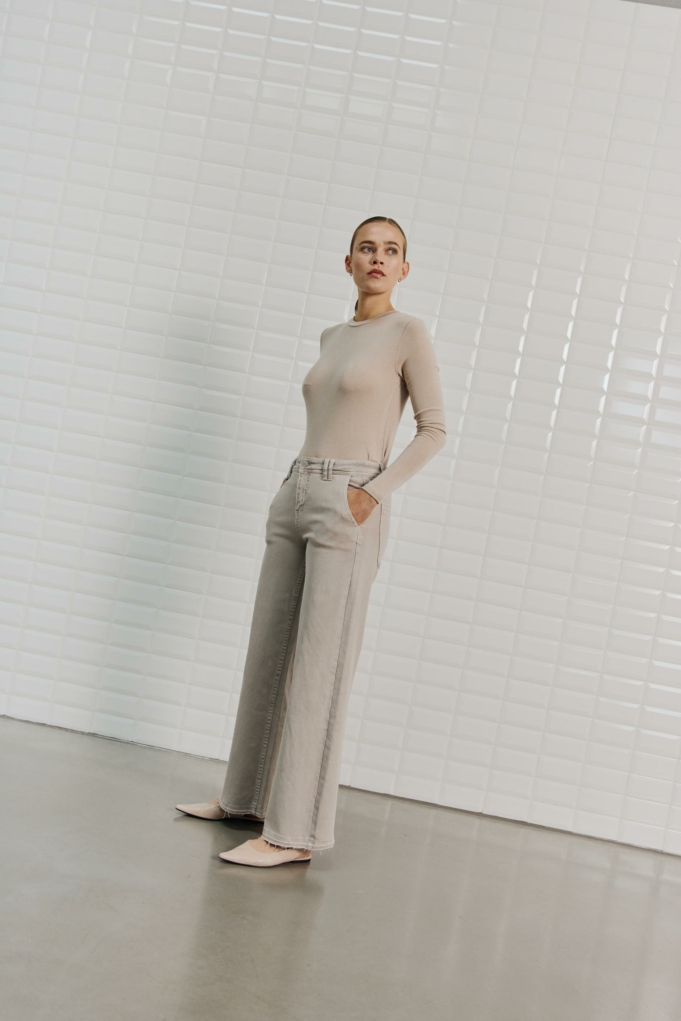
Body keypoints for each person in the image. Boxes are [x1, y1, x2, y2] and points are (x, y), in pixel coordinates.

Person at [176, 216, 446, 867]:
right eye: (366, 248)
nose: (378, 258)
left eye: (390, 251)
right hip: (297, 491)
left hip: (351, 499)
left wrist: (370, 494)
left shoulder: (407, 332)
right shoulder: (333, 336)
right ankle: (245, 798)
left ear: (404, 268)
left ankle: (292, 834)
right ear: (347, 262)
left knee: (320, 666)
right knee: (267, 652)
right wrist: (289, 485)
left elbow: (434, 429)